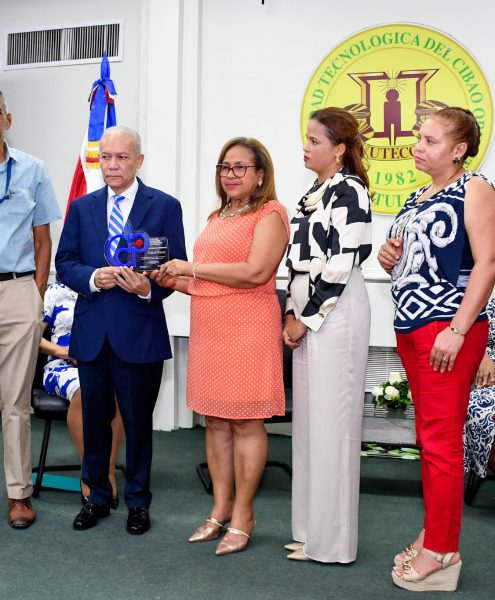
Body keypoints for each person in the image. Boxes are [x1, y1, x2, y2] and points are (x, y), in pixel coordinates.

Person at [152, 137, 289, 555]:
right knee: (214, 421)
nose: (230, 174)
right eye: (224, 167)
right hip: (210, 328)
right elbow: (207, 282)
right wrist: (169, 279)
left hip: (249, 329)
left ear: (260, 174)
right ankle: (220, 508)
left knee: (246, 423)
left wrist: (190, 268)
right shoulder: (217, 216)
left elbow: (255, 272)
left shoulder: (271, 213)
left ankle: (244, 513)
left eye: (240, 167)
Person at [378, 107, 495, 592]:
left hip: (446, 329)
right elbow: (413, 263)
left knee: (442, 443)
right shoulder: (417, 195)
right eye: (418, 138)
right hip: (412, 327)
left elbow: (488, 263)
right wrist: (389, 258)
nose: (418, 147)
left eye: (430, 140)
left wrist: (459, 329)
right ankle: (434, 532)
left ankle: (443, 550)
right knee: (430, 440)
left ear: (459, 149)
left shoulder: (475, 188)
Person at [55, 125, 187, 534]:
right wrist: (94, 278)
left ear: (139, 161)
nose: (112, 165)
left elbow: (175, 268)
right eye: (106, 157)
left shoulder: (164, 206)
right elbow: (65, 262)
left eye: (122, 157)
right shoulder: (82, 208)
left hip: (139, 333)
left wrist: (148, 289)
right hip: (93, 333)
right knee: (94, 421)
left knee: (138, 425)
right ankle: (96, 497)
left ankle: (138, 502)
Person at [282, 107, 372, 563]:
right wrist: (290, 311)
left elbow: (339, 265)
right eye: (307, 138)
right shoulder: (312, 192)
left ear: (338, 149)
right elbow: (296, 260)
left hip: (334, 312)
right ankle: (309, 532)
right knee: (309, 426)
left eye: (315, 140)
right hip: (308, 309)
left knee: (333, 428)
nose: (306, 147)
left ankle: (333, 544)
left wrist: (306, 316)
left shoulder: (350, 190)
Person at [0, 90, 61, 528]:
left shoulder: (32, 169)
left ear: (7, 120)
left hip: (18, 291)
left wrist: (36, 295)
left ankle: (19, 495)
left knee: (15, 403)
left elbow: (43, 240)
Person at [40, 278, 125, 505]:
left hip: (101, 363)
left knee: (120, 392)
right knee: (84, 389)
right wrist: (62, 351)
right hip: (63, 365)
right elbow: (30, 337)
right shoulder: (54, 292)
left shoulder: (107, 287)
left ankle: (107, 470)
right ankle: (91, 472)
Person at [464, 296, 495, 479]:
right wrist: (482, 356)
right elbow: (477, 333)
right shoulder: (492, 305)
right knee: (476, 407)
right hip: (490, 380)